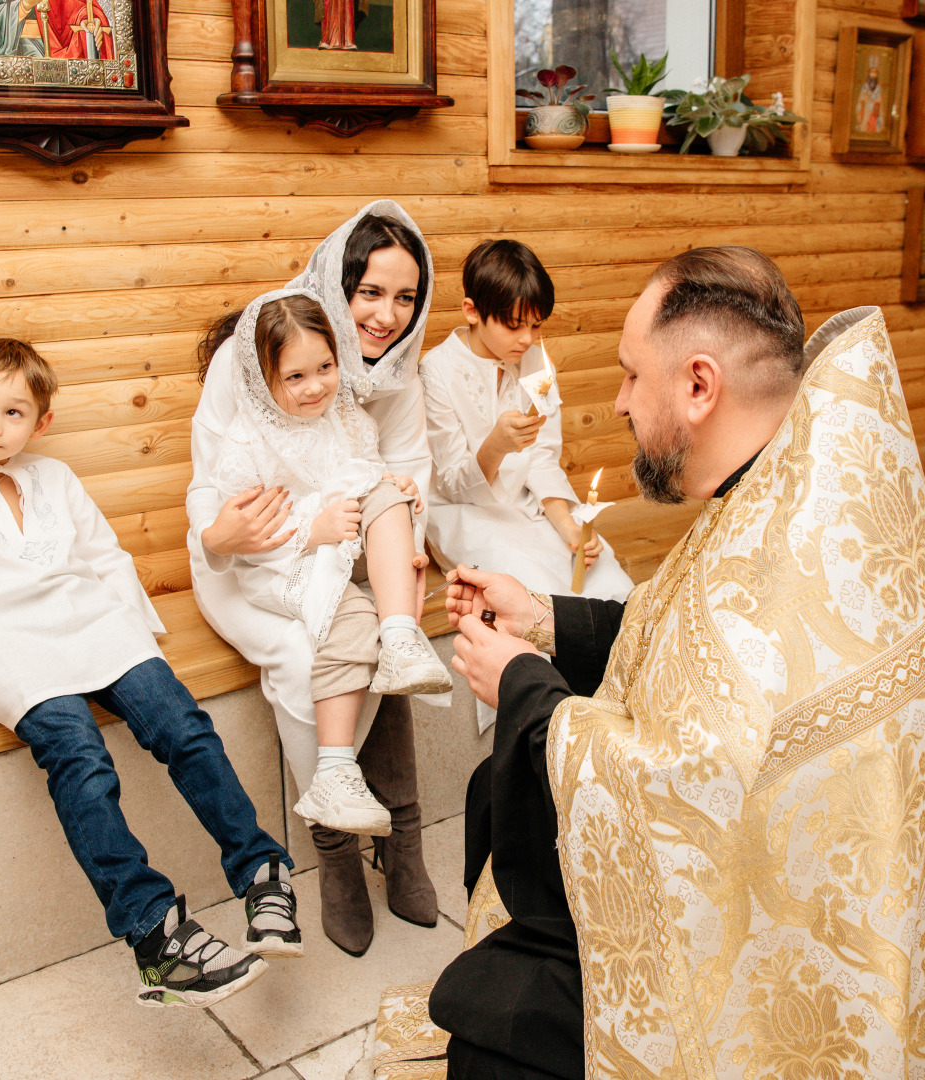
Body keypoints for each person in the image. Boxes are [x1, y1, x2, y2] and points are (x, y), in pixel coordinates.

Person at [428, 247, 925, 1079]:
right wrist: (544, 618)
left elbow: (677, 793)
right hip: (807, 893)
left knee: (492, 1033)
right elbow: (681, 632)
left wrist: (519, 683)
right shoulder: (791, 485)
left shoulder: (785, 547)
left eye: (633, 375)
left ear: (698, 385)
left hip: (760, 958)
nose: (621, 401)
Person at [0, 338, 300, 1009]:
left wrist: (135, 641)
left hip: (92, 624)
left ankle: (261, 870)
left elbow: (106, 561)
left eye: (13, 412)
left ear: (40, 422)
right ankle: (154, 935)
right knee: (80, 756)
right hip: (3, 643)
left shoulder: (56, 479)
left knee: (181, 723)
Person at [189, 201, 438, 956]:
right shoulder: (267, 347)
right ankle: (335, 854)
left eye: (404, 297)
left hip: (349, 543)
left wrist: (411, 561)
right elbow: (216, 482)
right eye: (369, 293)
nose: (386, 315)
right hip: (252, 558)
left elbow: (404, 473)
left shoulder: (390, 376)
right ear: (339, 286)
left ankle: (401, 838)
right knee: (319, 646)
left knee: (384, 634)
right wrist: (224, 536)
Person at [210, 291, 451, 835]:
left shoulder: (346, 418)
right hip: (281, 563)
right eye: (295, 377)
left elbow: (363, 473)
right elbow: (251, 533)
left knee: (386, 494)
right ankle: (335, 773)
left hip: (342, 544)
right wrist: (309, 531)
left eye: (325, 367)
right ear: (261, 379)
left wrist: (395, 486)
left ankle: (400, 637)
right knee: (350, 620)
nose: (316, 385)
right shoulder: (248, 445)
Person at [420, 239, 632, 733]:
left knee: (607, 584)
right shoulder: (436, 372)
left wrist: (569, 524)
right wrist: (494, 444)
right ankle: (556, 729)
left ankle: (616, 721)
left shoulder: (535, 362)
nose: (526, 339)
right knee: (527, 584)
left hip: (530, 502)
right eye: (514, 325)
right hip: (463, 510)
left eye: (536, 325)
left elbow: (542, 456)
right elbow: (452, 486)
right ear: (473, 311)